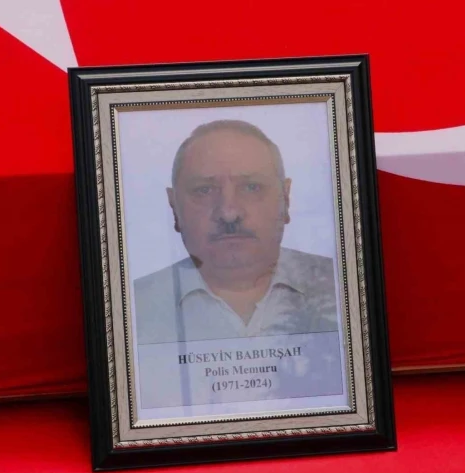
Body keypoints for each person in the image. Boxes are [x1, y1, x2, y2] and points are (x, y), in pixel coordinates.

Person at [133, 119, 339, 345]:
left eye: (252, 187)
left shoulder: (345, 287)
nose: (229, 213)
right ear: (174, 206)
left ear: (286, 199)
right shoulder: (130, 310)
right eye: (204, 190)